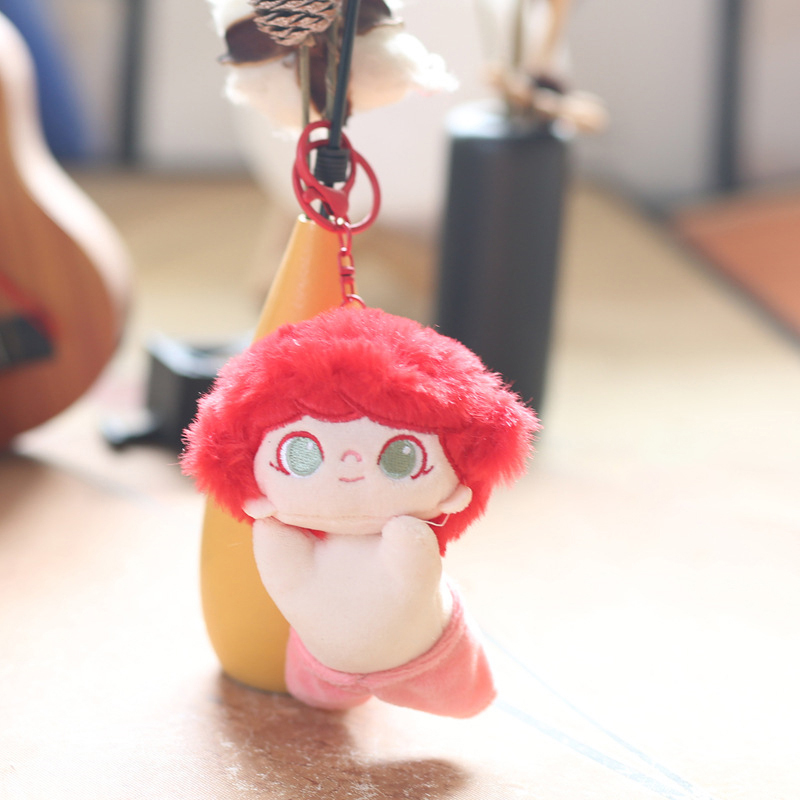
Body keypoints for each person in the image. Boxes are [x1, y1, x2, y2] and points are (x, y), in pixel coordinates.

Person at [182, 306, 538, 717]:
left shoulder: (405, 539)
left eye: (401, 457)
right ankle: (329, 687)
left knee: (463, 687)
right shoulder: (281, 536)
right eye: (301, 455)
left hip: (429, 658)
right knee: (285, 562)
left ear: (456, 491)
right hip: (319, 662)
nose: (349, 470)